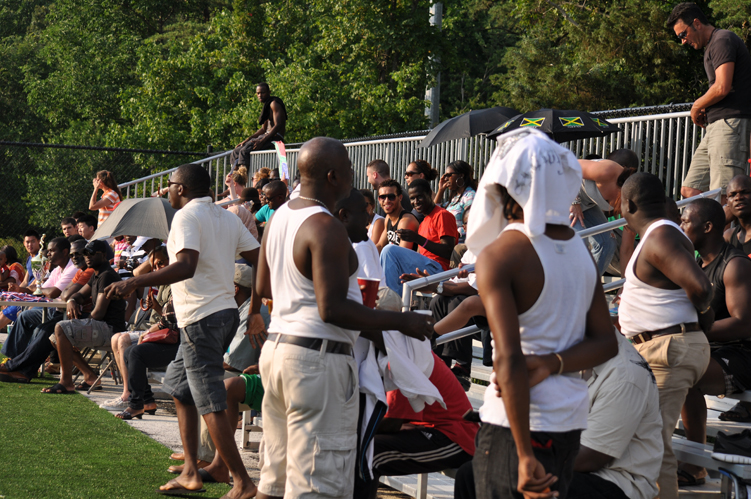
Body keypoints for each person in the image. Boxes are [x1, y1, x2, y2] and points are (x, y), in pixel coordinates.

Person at [252, 137, 433, 499]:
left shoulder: (279, 216)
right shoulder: (325, 226)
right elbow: (331, 309)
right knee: (316, 487)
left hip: (278, 352)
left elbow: (263, 283)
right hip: (316, 362)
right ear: (334, 176)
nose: (355, 175)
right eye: (350, 168)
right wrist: (403, 322)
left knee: (275, 482)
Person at [467, 128, 617, 499]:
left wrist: (522, 454)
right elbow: (605, 343)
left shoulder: (500, 255)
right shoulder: (577, 248)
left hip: (513, 429)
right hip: (567, 425)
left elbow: (509, 361)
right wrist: (552, 363)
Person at [104, 163, 261, 499]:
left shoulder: (188, 217)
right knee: (179, 385)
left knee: (210, 400)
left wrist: (135, 281)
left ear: (183, 188)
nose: (167, 190)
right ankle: (195, 470)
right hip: (221, 316)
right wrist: (257, 310)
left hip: (203, 319)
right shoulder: (229, 218)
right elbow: (260, 259)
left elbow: (186, 265)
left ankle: (243, 482)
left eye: (170, 184)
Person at [618, 172, 713, 499]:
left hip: (667, 350)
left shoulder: (660, 236)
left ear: (628, 203)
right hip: (664, 347)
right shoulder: (658, 235)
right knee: (646, 440)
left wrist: (693, 325)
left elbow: (701, 288)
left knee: (651, 445)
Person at [678, 198, 751, 484]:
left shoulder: (734, 265)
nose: (680, 226)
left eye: (685, 221)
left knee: (681, 372)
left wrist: (692, 331)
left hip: (740, 354)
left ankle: (694, 464)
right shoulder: (695, 263)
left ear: (707, 227)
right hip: (706, 349)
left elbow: (743, 322)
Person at [354, 350, 478, 499]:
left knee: (369, 455)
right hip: (433, 428)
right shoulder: (399, 353)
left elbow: (392, 423)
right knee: (362, 446)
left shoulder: (402, 359)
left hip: (456, 438)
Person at [667, 3, 751, 200]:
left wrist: (698, 105)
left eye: (682, 35)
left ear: (696, 23)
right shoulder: (712, 46)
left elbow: (722, 86)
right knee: (689, 190)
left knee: (724, 195)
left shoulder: (723, 39)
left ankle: (729, 228)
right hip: (716, 126)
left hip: (730, 124)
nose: (683, 41)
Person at [0, 239, 93, 383]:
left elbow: (59, 293)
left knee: (46, 330)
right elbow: (41, 290)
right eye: (73, 255)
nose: (48, 254)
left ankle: (17, 367)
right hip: (61, 311)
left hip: (80, 317)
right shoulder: (79, 271)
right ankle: (15, 363)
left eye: (79, 254)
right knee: (26, 317)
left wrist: (70, 298)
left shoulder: (82, 270)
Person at [43, 239, 127, 394]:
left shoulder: (107, 275)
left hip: (110, 330)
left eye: (91, 254)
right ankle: (90, 376)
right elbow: (79, 295)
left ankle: (66, 382)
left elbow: (98, 313)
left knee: (61, 327)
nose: (86, 257)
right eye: (85, 253)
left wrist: (77, 323)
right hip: (100, 326)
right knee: (55, 337)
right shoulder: (96, 274)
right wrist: (73, 301)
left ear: (102, 255)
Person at [100, 246, 171, 410]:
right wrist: (153, 257)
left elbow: (169, 319)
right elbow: (137, 273)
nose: (157, 269)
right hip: (157, 329)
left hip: (166, 333)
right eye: (155, 266)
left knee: (124, 339)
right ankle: (137, 395)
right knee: (116, 337)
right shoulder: (162, 280)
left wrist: (157, 308)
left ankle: (130, 395)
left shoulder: (175, 282)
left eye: (161, 264)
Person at [1, 237, 78, 359]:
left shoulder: (72, 269)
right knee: (24, 315)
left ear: (64, 252)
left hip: (62, 313)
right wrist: (20, 289)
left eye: (52, 251)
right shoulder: (58, 269)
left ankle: (17, 361)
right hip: (51, 308)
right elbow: (41, 291)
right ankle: (14, 360)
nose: (48, 254)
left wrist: (37, 289)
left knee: (28, 318)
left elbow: (52, 292)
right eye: (48, 250)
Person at [380, 179, 459, 295]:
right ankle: (396, 304)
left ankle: (389, 304)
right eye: (412, 198)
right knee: (395, 270)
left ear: (429, 194)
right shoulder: (423, 222)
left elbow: (448, 251)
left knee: (389, 251)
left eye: (419, 197)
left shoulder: (442, 215)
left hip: (441, 271)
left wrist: (418, 239)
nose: (415, 201)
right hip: (426, 269)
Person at [569, 149, 638, 275]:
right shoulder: (608, 171)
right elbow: (566, 166)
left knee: (607, 243)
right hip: (562, 192)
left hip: (586, 205)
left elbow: (626, 249)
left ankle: (590, 288)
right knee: (579, 241)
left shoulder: (631, 207)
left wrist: (624, 286)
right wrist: (575, 201)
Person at [229, 83, 287, 167]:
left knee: (245, 150)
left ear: (269, 92)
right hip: (265, 137)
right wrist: (247, 139)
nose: (260, 95)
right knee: (236, 151)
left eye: (263, 93)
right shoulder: (267, 105)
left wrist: (262, 140)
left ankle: (243, 176)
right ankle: (235, 177)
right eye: (258, 93)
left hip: (275, 139)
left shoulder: (274, 104)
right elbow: (263, 129)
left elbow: (278, 125)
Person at [433, 160, 477, 243]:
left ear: (461, 175)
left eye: (449, 175)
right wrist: (441, 190)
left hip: (459, 245)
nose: (446, 179)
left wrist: (453, 234)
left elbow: (471, 223)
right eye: (445, 175)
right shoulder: (454, 199)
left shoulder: (470, 196)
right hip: (447, 243)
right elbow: (435, 214)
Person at [375, 180, 419, 252]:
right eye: (382, 197)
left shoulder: (406, 221)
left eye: (391, 197)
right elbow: (380, 245)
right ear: (379, 199)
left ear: (400, 197)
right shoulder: (388, 218)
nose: (386, 201)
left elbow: (402, 255)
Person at [725, 175, 751, 256]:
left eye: (745, 192)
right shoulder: (728, 236)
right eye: (732, 195)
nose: (738, 198)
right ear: (727, 203)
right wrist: (722, 221)